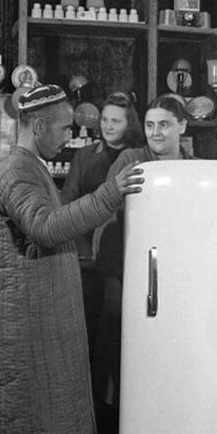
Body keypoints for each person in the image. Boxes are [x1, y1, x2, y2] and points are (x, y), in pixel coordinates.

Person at [0, 83, 144, 434]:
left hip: (36, 308)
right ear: (37, 126)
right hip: (21, 314)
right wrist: (110, 194)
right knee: (20, 401)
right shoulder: (17, 170)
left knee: (41, 398)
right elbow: (45, 228)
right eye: (63, 128)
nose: (69, 136)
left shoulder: (29, 165)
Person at [94, 94, 194, 434]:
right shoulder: (131, 160)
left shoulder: (194, 167)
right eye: (150, 125)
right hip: (130, 275)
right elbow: (108, 210)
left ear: (182, 126)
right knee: (131, 370)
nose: (156, 133)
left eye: (164, 125)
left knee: (173, 370)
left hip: (178, 280)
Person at [61, 91, 143, 367]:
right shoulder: (85, 155)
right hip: (88, 253)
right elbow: (69, 201)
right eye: (105, 120)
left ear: (129, 124)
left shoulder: (138, 156)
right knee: (91, 327)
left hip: (124, 249)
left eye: (115, 121)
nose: (107, 126)